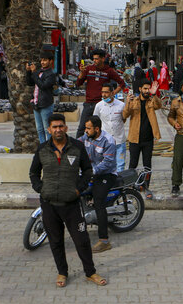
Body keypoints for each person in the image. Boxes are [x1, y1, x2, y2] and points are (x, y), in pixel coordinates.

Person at [29, 114, 107, 287]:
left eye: (60, 126)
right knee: (56, 241)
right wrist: (41, 189)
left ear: (66, 128)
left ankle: (90, 272)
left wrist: (78, 189)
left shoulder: (77, 147)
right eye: (54, 127)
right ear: (49, 129)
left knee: (82, 241)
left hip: (71, 204)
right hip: (49, 205)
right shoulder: (42, 149)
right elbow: (33, 173)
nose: (58, 130)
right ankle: (62, 272)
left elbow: (87, 171)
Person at [79, 116, 117, 253]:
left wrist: (91, 172)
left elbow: (107, 163)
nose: (86, 131)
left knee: (98, 200)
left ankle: (104, 241)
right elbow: (77, 144)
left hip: (106, 174)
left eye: (88, 128)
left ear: (97, 129)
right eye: (85, 128)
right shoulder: (87, 137)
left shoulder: (108, 141)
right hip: (91, 172)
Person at [123, 80, 161, 199]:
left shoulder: (151, 100)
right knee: (132, 164)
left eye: (148, 89)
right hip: (134, 138)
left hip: (148, 139)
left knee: (147, 165)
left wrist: (154, 94)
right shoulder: (134, 101)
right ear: (140, 89)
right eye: (145, 89)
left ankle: (146, 186)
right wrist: (128, 103)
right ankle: (130, 186)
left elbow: (159, 105)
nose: (146, 91)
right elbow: (124, 115)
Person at [76, 48, 126, 138]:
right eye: (93, 59)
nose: (94, 61)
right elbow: (78, 83)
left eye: (96, 59)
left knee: (100, 129)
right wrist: (81, 73)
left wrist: (113, 93)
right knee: (82, 128)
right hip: (89, 104)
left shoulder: (109, 71)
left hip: (102, 104)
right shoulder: (88, 69)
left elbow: (122, 83)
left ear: (103, 59)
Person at [94, 83, 126, 172]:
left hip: (119, 140)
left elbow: (124, 119)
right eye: (102, 92)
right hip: (105, 142)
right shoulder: (99, 106)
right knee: (104, 165)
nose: (104, 95)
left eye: (106, 92)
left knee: (120, 165)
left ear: (112, 93)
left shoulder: (121, 105)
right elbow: (95, 122)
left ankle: (119, 184)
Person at [27, 50, 58, 143]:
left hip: (46, 105)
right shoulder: (40, 72)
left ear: (51, 61)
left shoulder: (51, 74)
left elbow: (43, 85)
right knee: (39, 130)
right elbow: (30, 82)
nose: (42, 62)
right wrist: (28, 72)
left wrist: (34, 73)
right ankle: (42, 148)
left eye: (45, 60)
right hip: (37, 104)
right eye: (41, 60)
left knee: (47, 129)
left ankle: (49, 148)